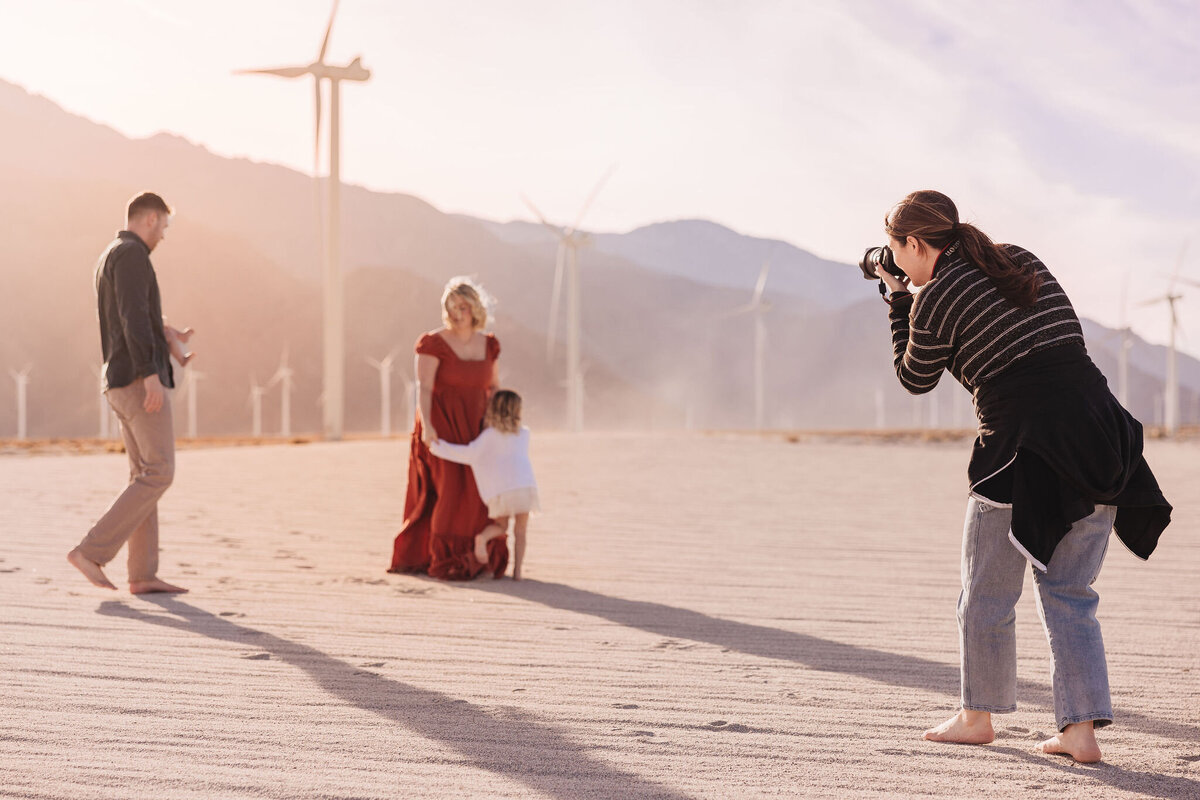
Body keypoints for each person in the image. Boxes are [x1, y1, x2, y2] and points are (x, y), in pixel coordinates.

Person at [874, 190, 1171, 763]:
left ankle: (976, 717)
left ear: (914, 244)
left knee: (985, 592)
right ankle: (1080, 733)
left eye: (897, 251)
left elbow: (915, 379)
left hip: (1022, 451)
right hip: (1099, 436)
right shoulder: (1019, 259)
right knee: (1070, 594)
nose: (899, 264)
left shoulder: (933, 299)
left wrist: (898, 304)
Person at [67, 192, 193, 594]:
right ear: (151, 219)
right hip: (138, 381)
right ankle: (92, 551)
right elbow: (133, 316)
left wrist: (168, 336)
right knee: (159, 472)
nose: (164, 236)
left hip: (118, 379)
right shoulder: (134, 254)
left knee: (144, 474)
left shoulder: (111, 254)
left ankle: (142, 574)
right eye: (165, 227)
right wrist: (150, 373)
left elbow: (134, 312)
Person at [388, 277, 508, 579]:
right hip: (441, 427)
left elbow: (493, 387)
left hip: (478, 429)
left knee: (479, 492)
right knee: (450, 492)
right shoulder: (433, 343)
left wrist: (503, 422)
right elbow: (424, 389)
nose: (457, 313)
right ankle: (444, 560)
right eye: (451, 307)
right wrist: (427, 426)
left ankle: (476, 557)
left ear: (475, 308)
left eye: (463, 306)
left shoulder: (488, 344)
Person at [430, 389, 539, 580]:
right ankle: (518, 572)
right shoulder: (524, 433)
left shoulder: (489, 435)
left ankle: (482, 538)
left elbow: (468, 454)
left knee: (501, 526)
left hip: (502, 490)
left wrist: (436, 447)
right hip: (524, 486)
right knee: (521, 531)